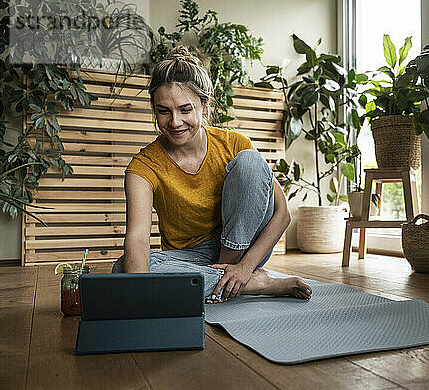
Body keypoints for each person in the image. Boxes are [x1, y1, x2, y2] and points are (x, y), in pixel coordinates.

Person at [111, 45, 312, 303]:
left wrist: (245, 266)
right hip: (188, 256)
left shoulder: (233, 143)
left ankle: (232, 276)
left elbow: (282, 213)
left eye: (185, 110)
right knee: (123, 269)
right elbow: (137, 238)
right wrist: (138, 292)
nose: (174, 122)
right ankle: (253, 285)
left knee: (251, 161)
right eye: (164, 111)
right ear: (154, 109)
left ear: (204, 105)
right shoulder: (143, 167)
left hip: (244, 248)